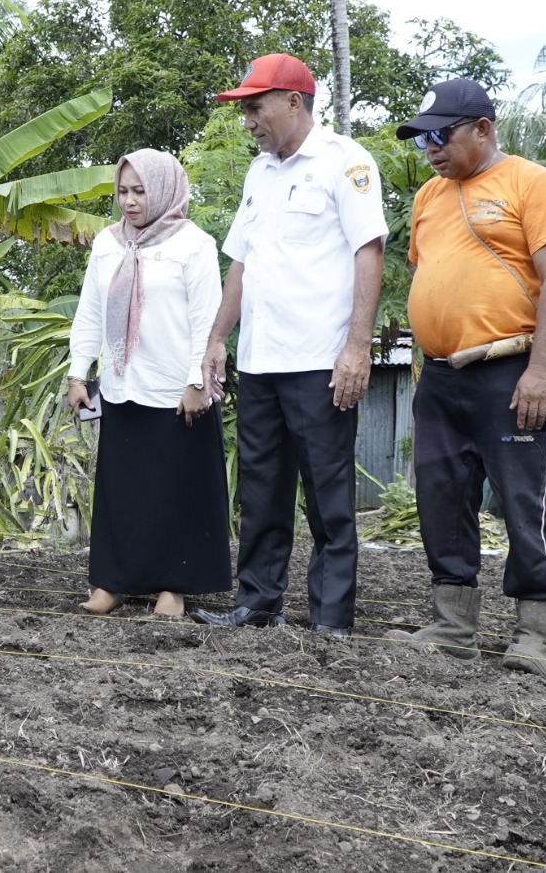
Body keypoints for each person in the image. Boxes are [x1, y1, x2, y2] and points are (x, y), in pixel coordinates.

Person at [387, 78, 546, 673]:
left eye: (442, 136)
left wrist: (542, 370)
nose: (432, 150)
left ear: (483, 129)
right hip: (442, 376)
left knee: (526, 499)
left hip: (510, 371)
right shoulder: (429, 197)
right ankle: (451, 625)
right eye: (424, 140)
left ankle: (535, 633)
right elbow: (436, 273)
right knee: (440, 496)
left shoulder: (533, 183)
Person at [191, 54, 387, 637]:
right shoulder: (260, 174)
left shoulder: (344, 162)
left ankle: (330, 620)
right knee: (261, 490)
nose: (247, 120)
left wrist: (357, 348)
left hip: (318, 363)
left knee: (327, 496)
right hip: (261, 362)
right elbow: (240, 265)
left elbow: (368, 252)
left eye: (254, 107)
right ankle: (258, 602)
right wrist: (218, 338)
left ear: (293, 101)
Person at [67, 149, 231, 617]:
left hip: (176, 391)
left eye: (140, 190)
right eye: (122, 191)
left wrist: (198, 383)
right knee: (123, 491)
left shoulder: (193, 244)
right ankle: (113, 583)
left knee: (175, 490)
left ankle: (172, 588)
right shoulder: (107, 243)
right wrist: (79, 374)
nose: (130, 201)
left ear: (163, 189)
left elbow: (207, 322)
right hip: (122, 385)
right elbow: (90, 314)